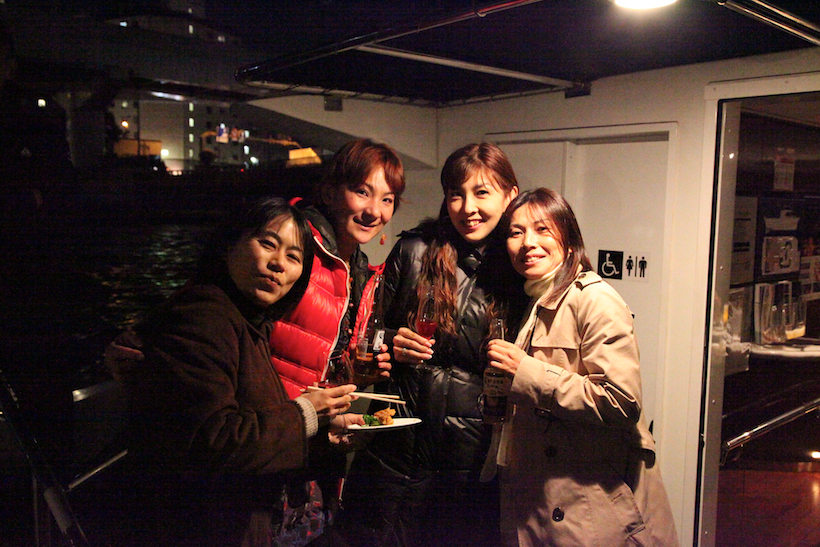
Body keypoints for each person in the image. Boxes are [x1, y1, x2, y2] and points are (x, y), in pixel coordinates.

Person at [106, 197, 364, 547]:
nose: (278, 264)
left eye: (293, 257)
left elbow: (245, 421)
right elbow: (210, 441)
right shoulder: (204, 317)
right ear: (229, 244)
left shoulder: (248, 321)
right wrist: (305, 413)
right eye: (267, 244)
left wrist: (320, 433)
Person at [338, 142, 525, 547]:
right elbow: (367, 334)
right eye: (456, 194)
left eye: (481, 193)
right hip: (391, 457)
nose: (468, 208)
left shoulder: (520, 270)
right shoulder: (413, 251)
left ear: (510, 195)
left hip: (471, 471)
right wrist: (391, 342)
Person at [485, 188, 679, 547]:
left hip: (589, 513)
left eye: (542, 229)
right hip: (535, 503)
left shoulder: (594, 298)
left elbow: (621, 401)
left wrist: (527, 372)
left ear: (569, 239)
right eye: (516, 232)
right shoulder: (530, 300)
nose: (528, 243)